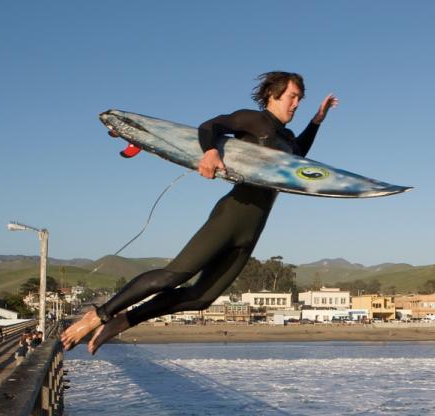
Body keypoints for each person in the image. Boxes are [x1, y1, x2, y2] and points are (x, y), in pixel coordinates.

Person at [61, 71, 338, 355]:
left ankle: (124, 321)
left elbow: (296, 158)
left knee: (201, 298)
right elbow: (211, 126)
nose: (296, 104)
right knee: (173, 276)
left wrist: (317, 120)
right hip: (232, 215)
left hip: (254, 226)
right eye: (293, 97)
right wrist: (210, 153)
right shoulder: (254, 120)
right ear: (273, 95)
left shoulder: (287, 137)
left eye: (299, 100)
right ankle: (99, 314)